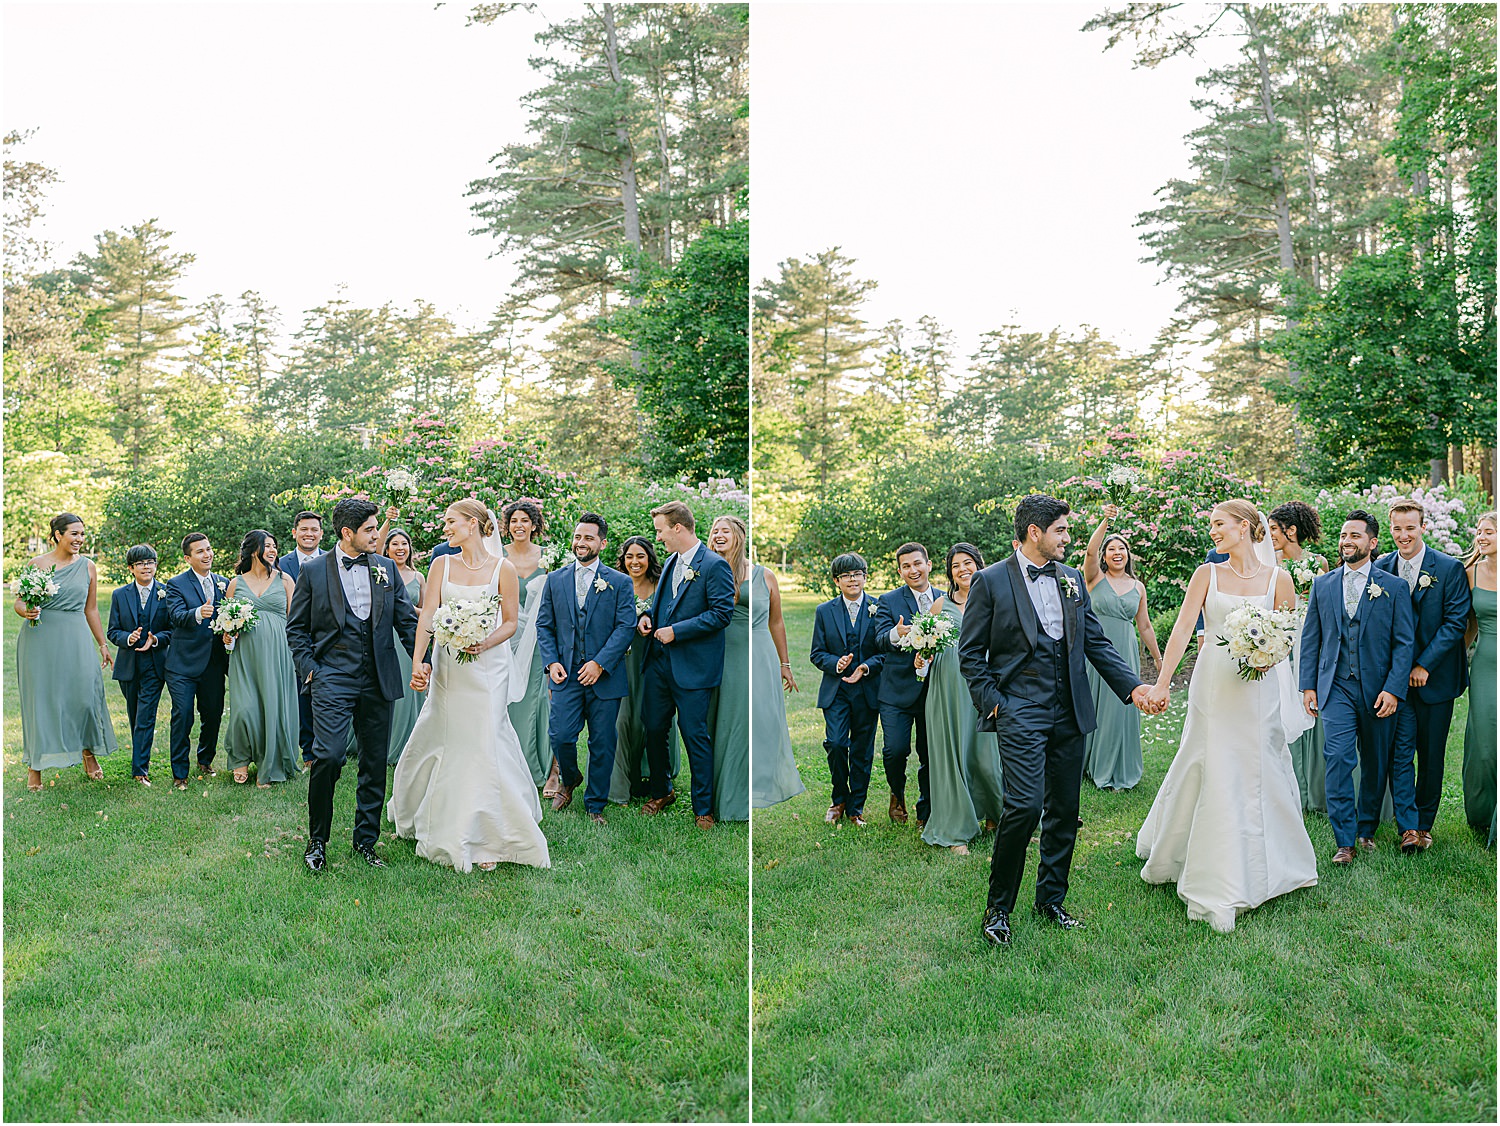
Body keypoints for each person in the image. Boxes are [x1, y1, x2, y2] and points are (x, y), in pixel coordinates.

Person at [959, 495, 1157, 946]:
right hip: (1019, 709)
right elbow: (970, 653)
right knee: (1025, 807)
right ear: (1035, 532)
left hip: (1069, 709)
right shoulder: (990, 581)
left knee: (1065, 811)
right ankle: (998, 909)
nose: (1068, 538)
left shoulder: (1070, 579)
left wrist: (1133, 687)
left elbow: (1096, 642)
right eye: (1062, 530)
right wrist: (995, 704)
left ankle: (1050, 901)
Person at [1137, 500, 1317, 932]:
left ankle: (1273, 863)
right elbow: (1183, 629)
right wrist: (1162, 683)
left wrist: (1266, 655)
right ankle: (1207, 865)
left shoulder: (1279, 578)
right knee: (1213, 761)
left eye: (1219, 524)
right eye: (1211, 525)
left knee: (1260, 763)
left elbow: (1287, 636)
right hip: (1214, 685)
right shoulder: (1207, 574)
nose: (1213, 531)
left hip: (1258, 689)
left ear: (1245, 526)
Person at [388, 499, 550, 870]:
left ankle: (488, 834)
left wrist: (484, 641)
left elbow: (510, 622)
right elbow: (428, 616)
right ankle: (427, 810)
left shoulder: (503, 568)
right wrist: (419, 661)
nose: (445, 528)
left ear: (473, 524)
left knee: (484, 738)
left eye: (451, 521)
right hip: (449, 668)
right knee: (445, 732)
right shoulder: (441, 565)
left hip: (489, 668)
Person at [286, 497, 420, 871]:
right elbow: (296, 628)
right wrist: (310, 669)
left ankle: (365, 842)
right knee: (328, 756)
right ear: (347, 533)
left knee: (374, 763)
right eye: (370, 530)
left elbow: (406, 622)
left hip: (378, 677)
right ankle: (317, 841)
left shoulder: (386, 569)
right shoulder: (314, 571)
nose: (377, 535)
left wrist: (423, 660)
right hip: (332, 676)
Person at [1300, 510, 1417, 863]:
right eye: (1343, 535)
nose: (1346, 541)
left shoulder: (1393, 587)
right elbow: (1311, 638)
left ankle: (1366, 830)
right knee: (1338, 757)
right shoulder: (1323, 585)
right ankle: (1345, 841)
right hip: (1336, 686)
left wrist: (1393, 689)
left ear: (1372, 542)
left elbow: (1404, 643)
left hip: (1378, 689)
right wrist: (1308, 686)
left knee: (1375, 762)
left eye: (1354, 535)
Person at [1377, 498, 1472, 850]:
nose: (1403, 535)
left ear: (1423, 527)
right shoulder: (1381, 567)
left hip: (1436, 679)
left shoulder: (1448, 568)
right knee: (1398, 754)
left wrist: (1423, 664)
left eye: (1410, 528)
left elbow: (1455, 623)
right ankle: (1408, 826)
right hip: (1394, 681)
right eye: (1397, 528)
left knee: (1431, 755)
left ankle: (1425, 825)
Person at [639, 500, 736, 830]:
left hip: (693, 667)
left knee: (694, 735)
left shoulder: (714, 565)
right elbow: (663, 605)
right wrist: (647, 618)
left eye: (660, 531)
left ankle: (703, 808)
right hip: (659, 664)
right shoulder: (671, 562)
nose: (658, 537)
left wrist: (676, 632)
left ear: (677, 528)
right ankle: (662, 791)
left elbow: (721, 614)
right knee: (654, 728)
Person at [534, 512, 637, 823]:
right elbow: (544, 625)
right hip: (565, 674)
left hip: (604, 677)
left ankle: (595, 805)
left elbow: (625, 626)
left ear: (602, 543)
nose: (581, 542)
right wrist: (552, 661)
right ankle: (570, 777)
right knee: (561, 735)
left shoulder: (620, 582)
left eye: (589, 538)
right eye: (578, 536)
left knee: (602, 742)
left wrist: (599, 663)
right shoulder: (555, 579)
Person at [16, 513, 117, 790]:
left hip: (76, 637)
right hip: (40, 639)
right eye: (74, 533)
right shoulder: (37, 564)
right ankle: (35, 767)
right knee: (41, 701)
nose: (79, 539)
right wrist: (26, 611)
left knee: (85, 697)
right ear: (58, 535)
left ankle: (88, 751)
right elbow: (20, 602)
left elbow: (91, 609)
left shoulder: (88, 567)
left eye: (82, 534)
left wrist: (102, 644)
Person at [921, 543, 1004, 853]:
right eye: (955, 565)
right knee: (953, 755)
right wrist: (921, 656)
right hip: (947, 687)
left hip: (984, 684)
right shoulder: (939, 605)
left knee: (987, 756)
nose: (962, 569)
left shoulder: (996, 599)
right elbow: (925, 647)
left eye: (967, 562)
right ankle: (956, 829)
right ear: (949, 572)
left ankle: (996, 814)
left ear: (979, 565)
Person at [1080, 506, 1162, 792]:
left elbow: (1145, 626)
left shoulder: (1138, 587)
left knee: (1119, 709)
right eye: (1111, 549)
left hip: (1125, 651)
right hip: (1095, 651)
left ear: (1128, 555)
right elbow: (1089, 552)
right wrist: (1106, 520)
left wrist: (1158, 658)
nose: (1117, 553)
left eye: (1122, 548)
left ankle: (1116, 768)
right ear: (1104, 556)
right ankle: (1090, 763)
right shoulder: (1094, 579)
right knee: (1094, 705)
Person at [874, 542, 948, 827]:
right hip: (896, 692)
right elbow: (879, 639)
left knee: (931, 754)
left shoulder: (946, 598)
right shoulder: (889, 600)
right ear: (900, 571)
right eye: (906, 566)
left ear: (928, 565)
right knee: (894, 750)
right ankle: (897, 793)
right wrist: (896, 633)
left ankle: (926, 809)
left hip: (936, 691)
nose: (913, 570)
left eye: (917, 563)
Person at [810, 553, 882, 826]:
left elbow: (885, 651)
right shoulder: (824, 611)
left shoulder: (879, 607)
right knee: (837, 744)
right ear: (836, 581)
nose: (852, 579)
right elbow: (817, 653)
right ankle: (839, 799)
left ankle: (856, 807)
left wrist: (865, 667)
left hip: (867, 691)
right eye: (845, 576)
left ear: (865, 577)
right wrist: (835, 663)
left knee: (862, 750)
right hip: (836, 691)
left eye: (857, 574)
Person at [223, 530, 300, 787]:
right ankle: (241, 757)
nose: (273, 550)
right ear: (253, 550)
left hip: (278, 654)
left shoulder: (285, 580)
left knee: (272, 708)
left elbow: (296, 621)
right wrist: (227, 634)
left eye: (274, 546)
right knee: (244, 709)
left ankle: (270, 764)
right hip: (245, 655)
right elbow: (227, 623)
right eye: (267, 546)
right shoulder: (235, 584)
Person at [1268, 500, 1331, 812]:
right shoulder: (1270, 564)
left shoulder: (1318, 562)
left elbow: (1327, 605)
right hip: (1282, 637)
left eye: (1274, 529)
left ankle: (1315, 791)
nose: (1269, 535)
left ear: (1291, 530)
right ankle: (1290, 789)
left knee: (1311, 700)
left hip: (1311, 636)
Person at [609, 535, 680, 802]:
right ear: (623, 559)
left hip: (653, 659)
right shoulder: (615, 584)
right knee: (622, 719)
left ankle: (652, 774)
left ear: (649, 558)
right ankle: (624, 776)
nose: (635, 561)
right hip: (623, 661)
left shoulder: (661, 585)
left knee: (649, 717)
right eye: (629, 556)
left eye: (640, 556)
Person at [164, 532, 230, 789]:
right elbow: (176, 616)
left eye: (209, 549)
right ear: (188, 558)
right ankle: (179, 773)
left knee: (213, 714)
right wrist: (197, 613)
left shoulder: (224, 582)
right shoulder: (176, 584)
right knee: (183, 715)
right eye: (200, 551)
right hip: (183, 664)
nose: (207, 554)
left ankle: (205, 760)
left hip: (213, 663)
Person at [106, 544, 172, 786]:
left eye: (150, 562)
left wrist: (156, 639)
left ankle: (140, 770)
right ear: (131, 568)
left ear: (156, 565)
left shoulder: (167, 592)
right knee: (135, 716)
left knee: (145, 717)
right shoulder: (119, 595)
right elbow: (113, 631)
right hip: (129, 666)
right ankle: (139, 760)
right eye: (141, 563)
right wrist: (128, 638)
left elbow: (173, 629)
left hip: (155, 665)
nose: (146, 567)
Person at [500, 499, 553, 789]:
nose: (519, 525)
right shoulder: (497, 555)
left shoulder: (548, 557)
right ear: (507, 526)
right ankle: (506, 763)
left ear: (534, 525)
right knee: (506, 697)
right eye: (514, 521)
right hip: (505, 639)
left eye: (525, 520)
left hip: (538, 640)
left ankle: (538, 765)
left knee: (538, 699)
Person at [707, 515, 754, 821]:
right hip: (709, 650)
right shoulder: (705, 567)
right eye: (715, 531)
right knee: (710, 721)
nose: (719, 535)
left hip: (741, 653)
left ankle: (734, 800)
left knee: (735, 722)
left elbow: (772, 618)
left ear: (739, 535)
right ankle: (709, 796)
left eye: (725, 530)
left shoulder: (753, 571)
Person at [277, 510, 325, 767]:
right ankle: (308, 751)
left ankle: (327, 745)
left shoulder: (331, 561)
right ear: (294, 532)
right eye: (304, 529)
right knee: (300, 693)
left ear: (321, 534)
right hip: (294, 638)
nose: (309, 534)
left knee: (327, 692)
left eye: (314, 529)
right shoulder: (281, 565)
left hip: (326, 637)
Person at [1462, 512, 1496, 845]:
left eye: (1489, 532)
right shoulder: (1470, 573)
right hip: (1486, 665)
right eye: (1479, 531)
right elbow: (1469, 624)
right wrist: (1453, 659)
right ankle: (1484, 813)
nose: (1481, 537)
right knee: (1485, 744)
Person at [381, 528, 427, 764]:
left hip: (410, 637)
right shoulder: (381, 573)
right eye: (395, 544)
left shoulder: (418, 577)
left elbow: (426, 611)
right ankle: (386, 740)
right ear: (387, 549)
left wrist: (407, 608)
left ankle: (412, 740)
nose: (400, 549)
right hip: (386, 636)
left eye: (404, 544)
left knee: (410, 687)